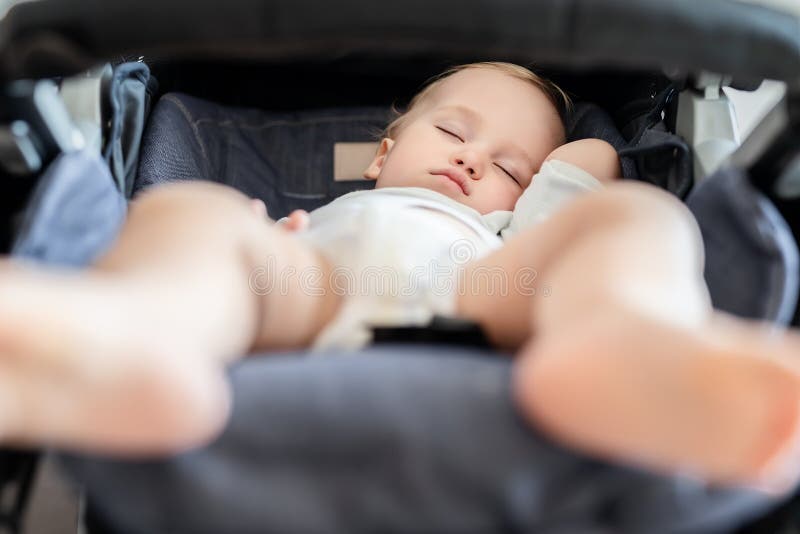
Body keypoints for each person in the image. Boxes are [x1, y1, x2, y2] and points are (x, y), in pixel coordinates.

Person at [1, 62, 799, 494]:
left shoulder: (508, 231)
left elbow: (590, 165)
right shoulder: (319, 221)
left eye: (507, 166)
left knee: (635, 221)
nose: (470, 157)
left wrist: (565, 163)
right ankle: (132, 335)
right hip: (315, 286)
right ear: (383, 153)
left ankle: (631, 345)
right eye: (454, 131)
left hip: (485, 290)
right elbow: (246, 246)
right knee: (190, 214)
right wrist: (243, 234)